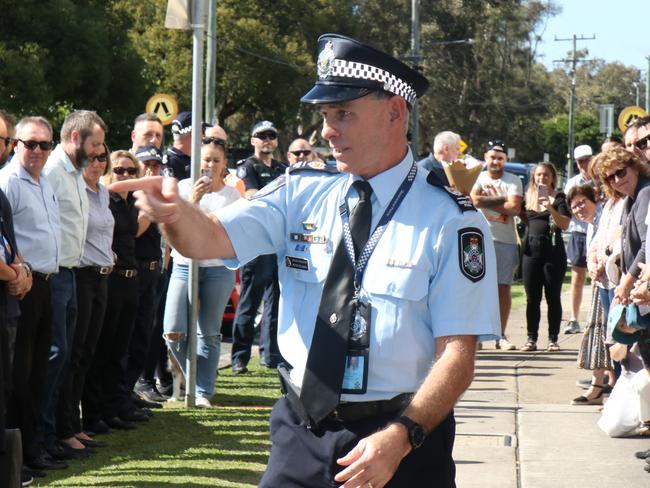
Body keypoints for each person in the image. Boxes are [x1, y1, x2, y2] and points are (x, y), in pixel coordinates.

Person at [113, 33, 500, 488]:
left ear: (395, 111)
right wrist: (177, 215)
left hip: (401, 441)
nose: (327, 131)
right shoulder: (301, 191)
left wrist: (401, 436)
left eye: (344, 114)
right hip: (301, 429)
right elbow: (211, 238)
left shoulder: (450, 221)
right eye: (324, 115)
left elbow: (458, 355)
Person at [41, 110, 106, 459]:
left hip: (72, 273)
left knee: (68, 357)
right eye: (94, 144)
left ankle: (61, 429)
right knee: (55, 358)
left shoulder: (75, 173)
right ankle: (47, 436)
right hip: (54, 277)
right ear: (75, 139)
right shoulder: (52, 171)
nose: (98, 152)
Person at [0, 117, 62, 473]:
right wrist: (19, 274)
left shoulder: (45, 181)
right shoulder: (9, 181)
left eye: (44, 145)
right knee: (17, 377)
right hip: (19, 288)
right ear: (15, 144)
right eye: (30, 143)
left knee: (40, 371)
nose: (37, 151)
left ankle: (34, 448)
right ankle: (18, 458)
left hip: (42, 282)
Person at [163, 138, 240, 407]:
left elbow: (229, 231)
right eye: (206, 160)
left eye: (216, 161)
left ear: (224, 165)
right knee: (173, 330)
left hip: (217, 268)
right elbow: (174, 226)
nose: (210, 165)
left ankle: (203, 390)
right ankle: (191, 378)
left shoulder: (232, 195)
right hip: (184, 265)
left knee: (208, 332)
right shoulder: (184, 188)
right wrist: (193, 200)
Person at [57, 143, 113, 447]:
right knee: (73, 352)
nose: (98, 163)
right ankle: (65, 426)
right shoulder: (75, 186)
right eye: (92, 158)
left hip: (102, 277)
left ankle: (74, 423)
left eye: (103, 157)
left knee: (87, 353)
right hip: (80, 274)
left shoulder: (103, 192)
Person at [83, 151, 142, 433]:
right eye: (119, 170)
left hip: (132, 280)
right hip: (111, 279)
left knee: (120, 349)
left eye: (132, 171)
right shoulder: (106, 198)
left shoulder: (129, 204)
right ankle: (95, 414)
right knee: (102, 350)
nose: (126, 176)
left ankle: (116, 406)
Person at [230, 120, 287, 373]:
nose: (267, 140)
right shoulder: (247, 166)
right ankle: (239, 358)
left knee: (277, 302)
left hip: (279, 242)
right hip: (258, 243)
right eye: (261, 136)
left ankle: (270, 355)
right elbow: (253, 196)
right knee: (250, 301)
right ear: (252, 140)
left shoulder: (283, 168)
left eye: (271, 136)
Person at [470, 140, 523, 350]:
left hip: (505, 240)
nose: (495, 161)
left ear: (505, 160)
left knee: (502, 288)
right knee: (477, 288)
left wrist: (486, 199)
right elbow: (474, 200)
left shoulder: (514, 179)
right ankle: (477, 335)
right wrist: (501, 200)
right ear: (486, 157)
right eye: (492, 157)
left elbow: (514, 208)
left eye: (500, 158)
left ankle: (500, 334)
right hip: (478, 240)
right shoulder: (477, 176)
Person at [567, 184, 612, 405]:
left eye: (582, 202)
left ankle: (603, 386)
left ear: (594, 199)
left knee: (610, 336)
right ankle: (601, 385)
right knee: (602, 335)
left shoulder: (605, 217)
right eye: (574, 206)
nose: (579, 209)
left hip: (612, 283)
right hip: (600, 284)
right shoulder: (591, 224)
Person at [520, 163, 571, 352]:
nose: (542, 178)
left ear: (552, 178)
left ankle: (552, 339)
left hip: (553, 252)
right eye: (538, 175)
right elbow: (522, 216)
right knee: (532, 298)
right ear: (534, 177)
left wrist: (549, 207)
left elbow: (564, 224)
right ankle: (531, 339)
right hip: (532, 251)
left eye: (546, 175)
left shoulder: (559, 198)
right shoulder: (527, 197)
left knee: (553, 297)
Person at [563, 144, 594, 334]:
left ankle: (596, 318)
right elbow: (568, 209)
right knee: (577, 277)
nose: (584, 164)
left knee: (599, 278)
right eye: (580, 161)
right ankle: (574, 318)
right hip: (578, 233)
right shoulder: (572, 183)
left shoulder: (601, 180)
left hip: (597, 232)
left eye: (587, 159)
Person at [164, 111, 193, 180]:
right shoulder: (168, 162)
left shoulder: (169, 159)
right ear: (193, 133)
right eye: (202, 130)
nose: (204, 136)